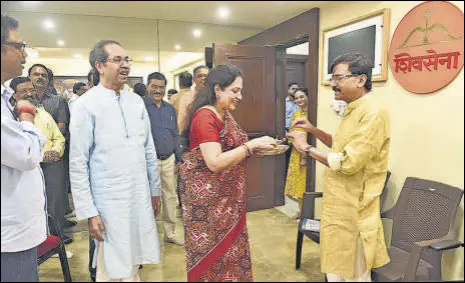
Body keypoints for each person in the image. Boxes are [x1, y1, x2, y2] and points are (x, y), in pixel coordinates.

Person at [289, 53, 390, 282]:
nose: (333, 84)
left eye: (338, 78)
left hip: (356, 209)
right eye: (332, 78)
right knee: (335, 270)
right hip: (339, 206)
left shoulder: (373, 112)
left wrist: (306, 149)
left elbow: (347, 162)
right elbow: (340, 144)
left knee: (354, 274)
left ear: (361, 80)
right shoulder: (354, 108)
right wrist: (313, 130)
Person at [70, 39, 162, 281]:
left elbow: (148, 150)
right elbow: (78, 163)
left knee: (133, 259)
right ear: (99, 65)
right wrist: (90, 212)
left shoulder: (135, 102)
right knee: (109, 263)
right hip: (107, 200)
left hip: (138, 194)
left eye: (127, 60)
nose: (125, 65)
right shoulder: (85, 105)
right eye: (117, 60)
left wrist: (155, 190)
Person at [179, 64, 277, 282]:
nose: (239, 96)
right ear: (217, 89)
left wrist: (256, 149)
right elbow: (214, 162)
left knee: (232, 255)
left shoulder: (224, 114)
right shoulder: (205, 117)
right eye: (234, 91)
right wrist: (249, 147)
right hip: (209, 208)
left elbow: (231, 149)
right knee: (213, 259)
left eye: (240, 90)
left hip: (228, 202)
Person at [1, 14, 47, 282]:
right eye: (19, 45)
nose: (24, 53)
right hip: (9, 236)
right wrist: (28, 120)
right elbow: (27, 154)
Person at [144, 72, 183, 246]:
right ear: (148, 87)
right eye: (154, 87)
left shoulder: (169, 108)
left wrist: (179, 158)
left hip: (168, 160)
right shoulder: (140, 107)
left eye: (161, 87)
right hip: (147, 163)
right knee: (147, 200)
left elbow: (175, 134)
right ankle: (148, 237)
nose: (158, 90)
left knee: (170, 197)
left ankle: (170, 233)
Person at [284, 88, 308, 220]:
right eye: (297, 98)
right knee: (295, 184)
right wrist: (291, 140)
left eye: (302, 97)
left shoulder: (312, 115)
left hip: (306, 153)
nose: (299, 100)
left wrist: (304, 155)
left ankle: (306, 212)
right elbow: (292, 131)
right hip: (295, 152)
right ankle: (300, 210)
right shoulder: (296, 114)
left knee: (304, 183)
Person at [177, 65, 209, 133]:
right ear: (194, 80)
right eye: (199, 76)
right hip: (192, 135)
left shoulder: (215, 95)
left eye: (206, 76)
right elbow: (181, 121)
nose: (203, 78)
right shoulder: (187, 97)